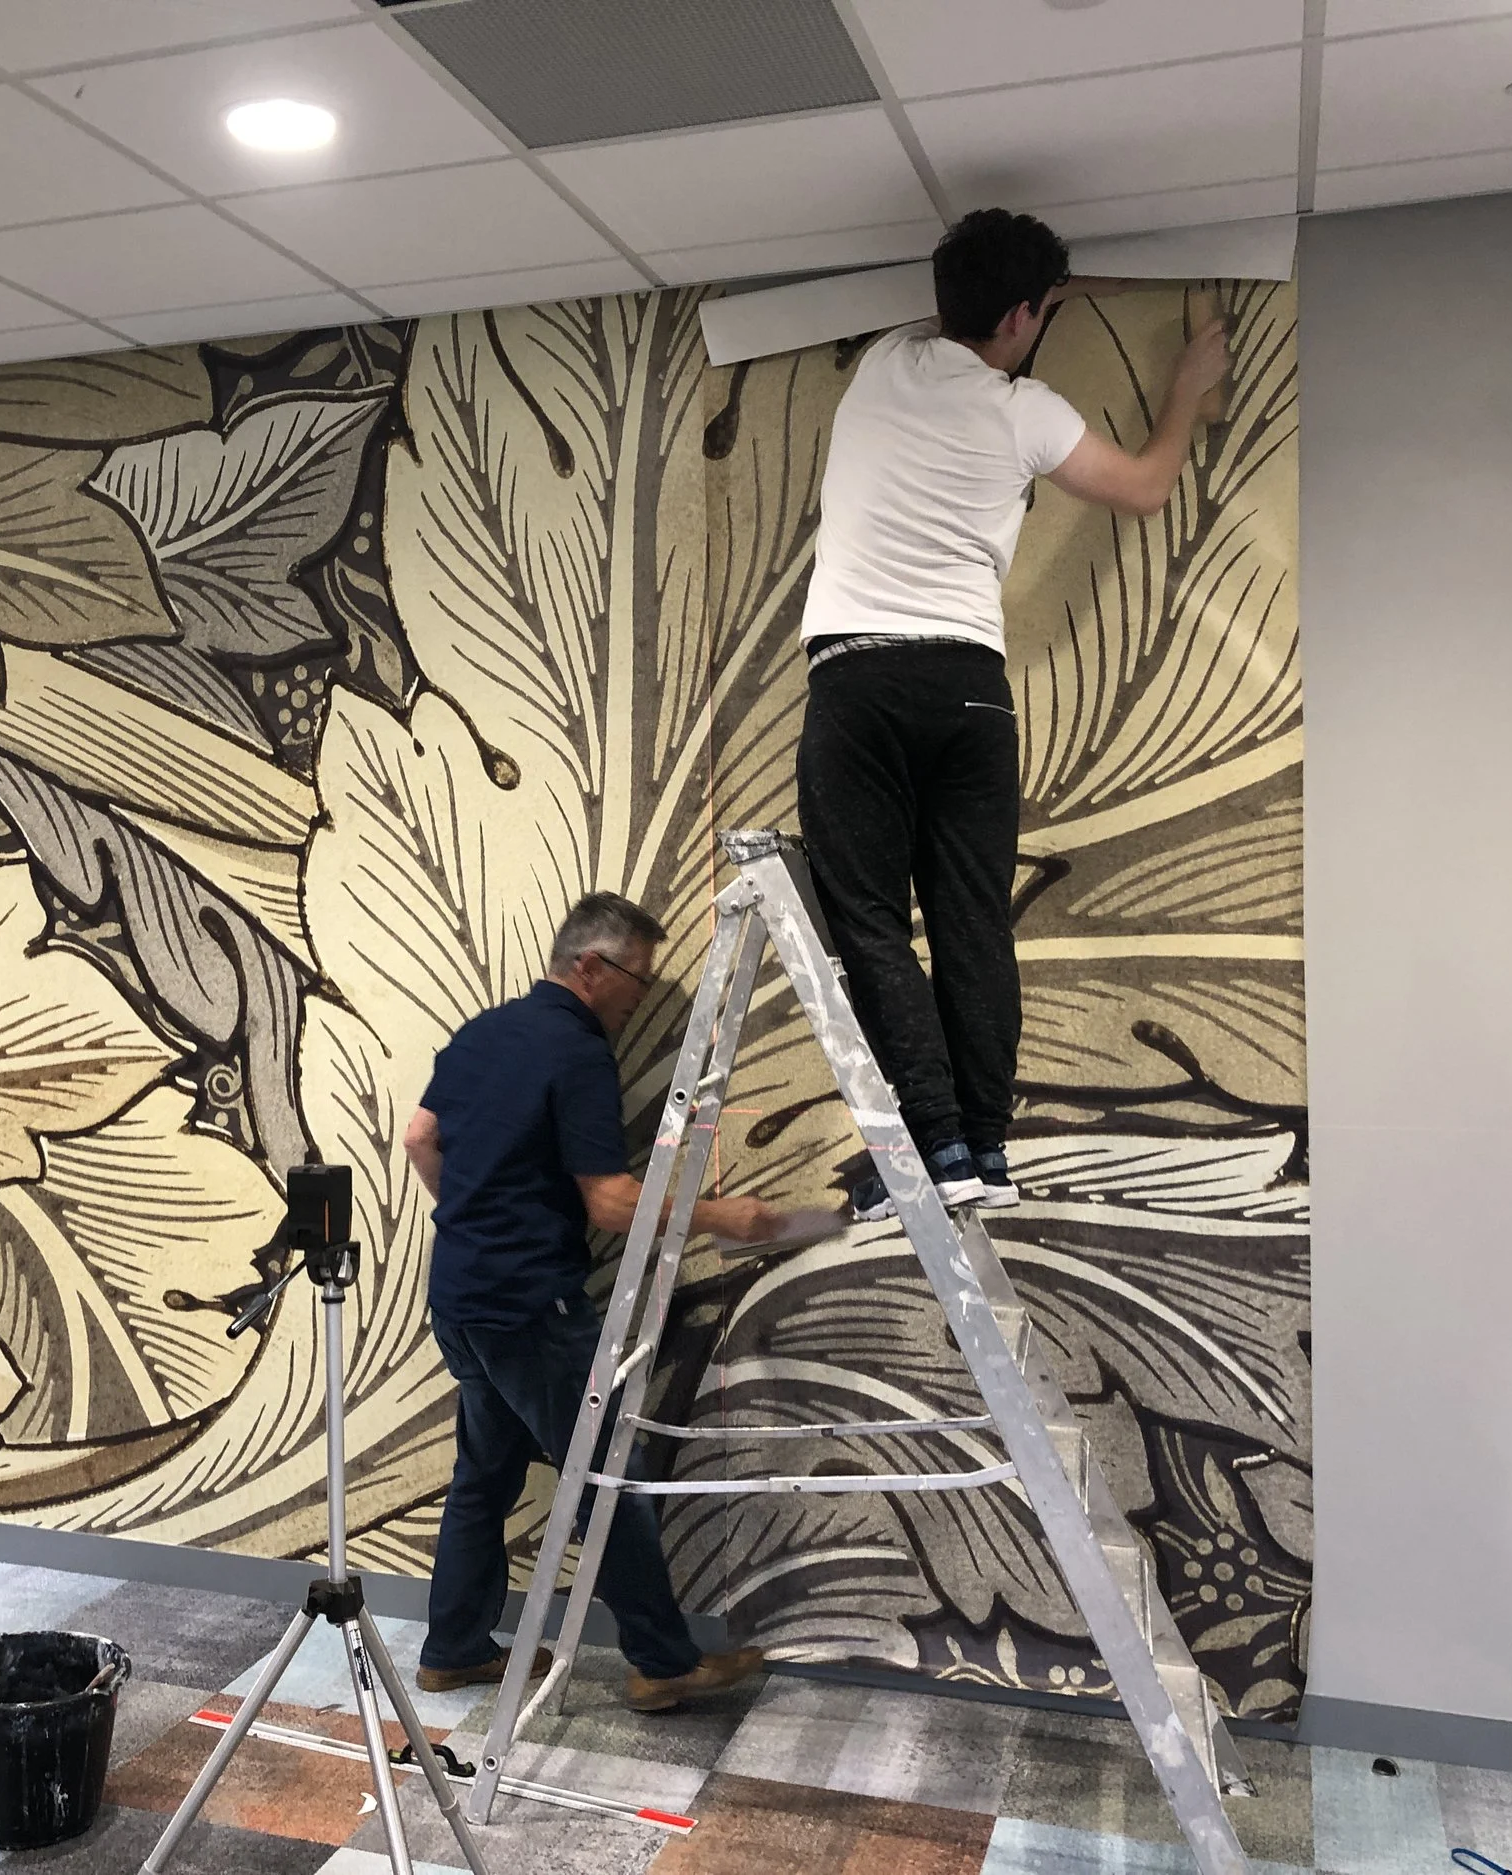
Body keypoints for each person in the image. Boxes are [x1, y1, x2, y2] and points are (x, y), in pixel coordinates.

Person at [797, 207, 1229, 1211]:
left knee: (868, 919)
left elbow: (995, 306)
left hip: (859, 680)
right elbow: (1146, 487)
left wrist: (1033, 290)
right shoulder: (1025, 410)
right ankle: (986, 1149)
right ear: (1027, 313)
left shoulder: (883, 365)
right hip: (967, 691)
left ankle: (941, 1147)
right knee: (972, 923)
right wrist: (1182, 395)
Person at [403, 892, 781, 1712]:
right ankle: (661, 1660)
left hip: (461, 1297)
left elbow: (418, 1136)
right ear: (591, 966)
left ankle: (454, 1649)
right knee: (607, 1477)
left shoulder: (482, 1033)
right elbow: (610, 1203)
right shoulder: (574, 1050)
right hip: (528, 1307)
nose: (637, 1000)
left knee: (485, 1473)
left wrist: (468, 1218)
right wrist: (730, 1217)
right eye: (637, 982)